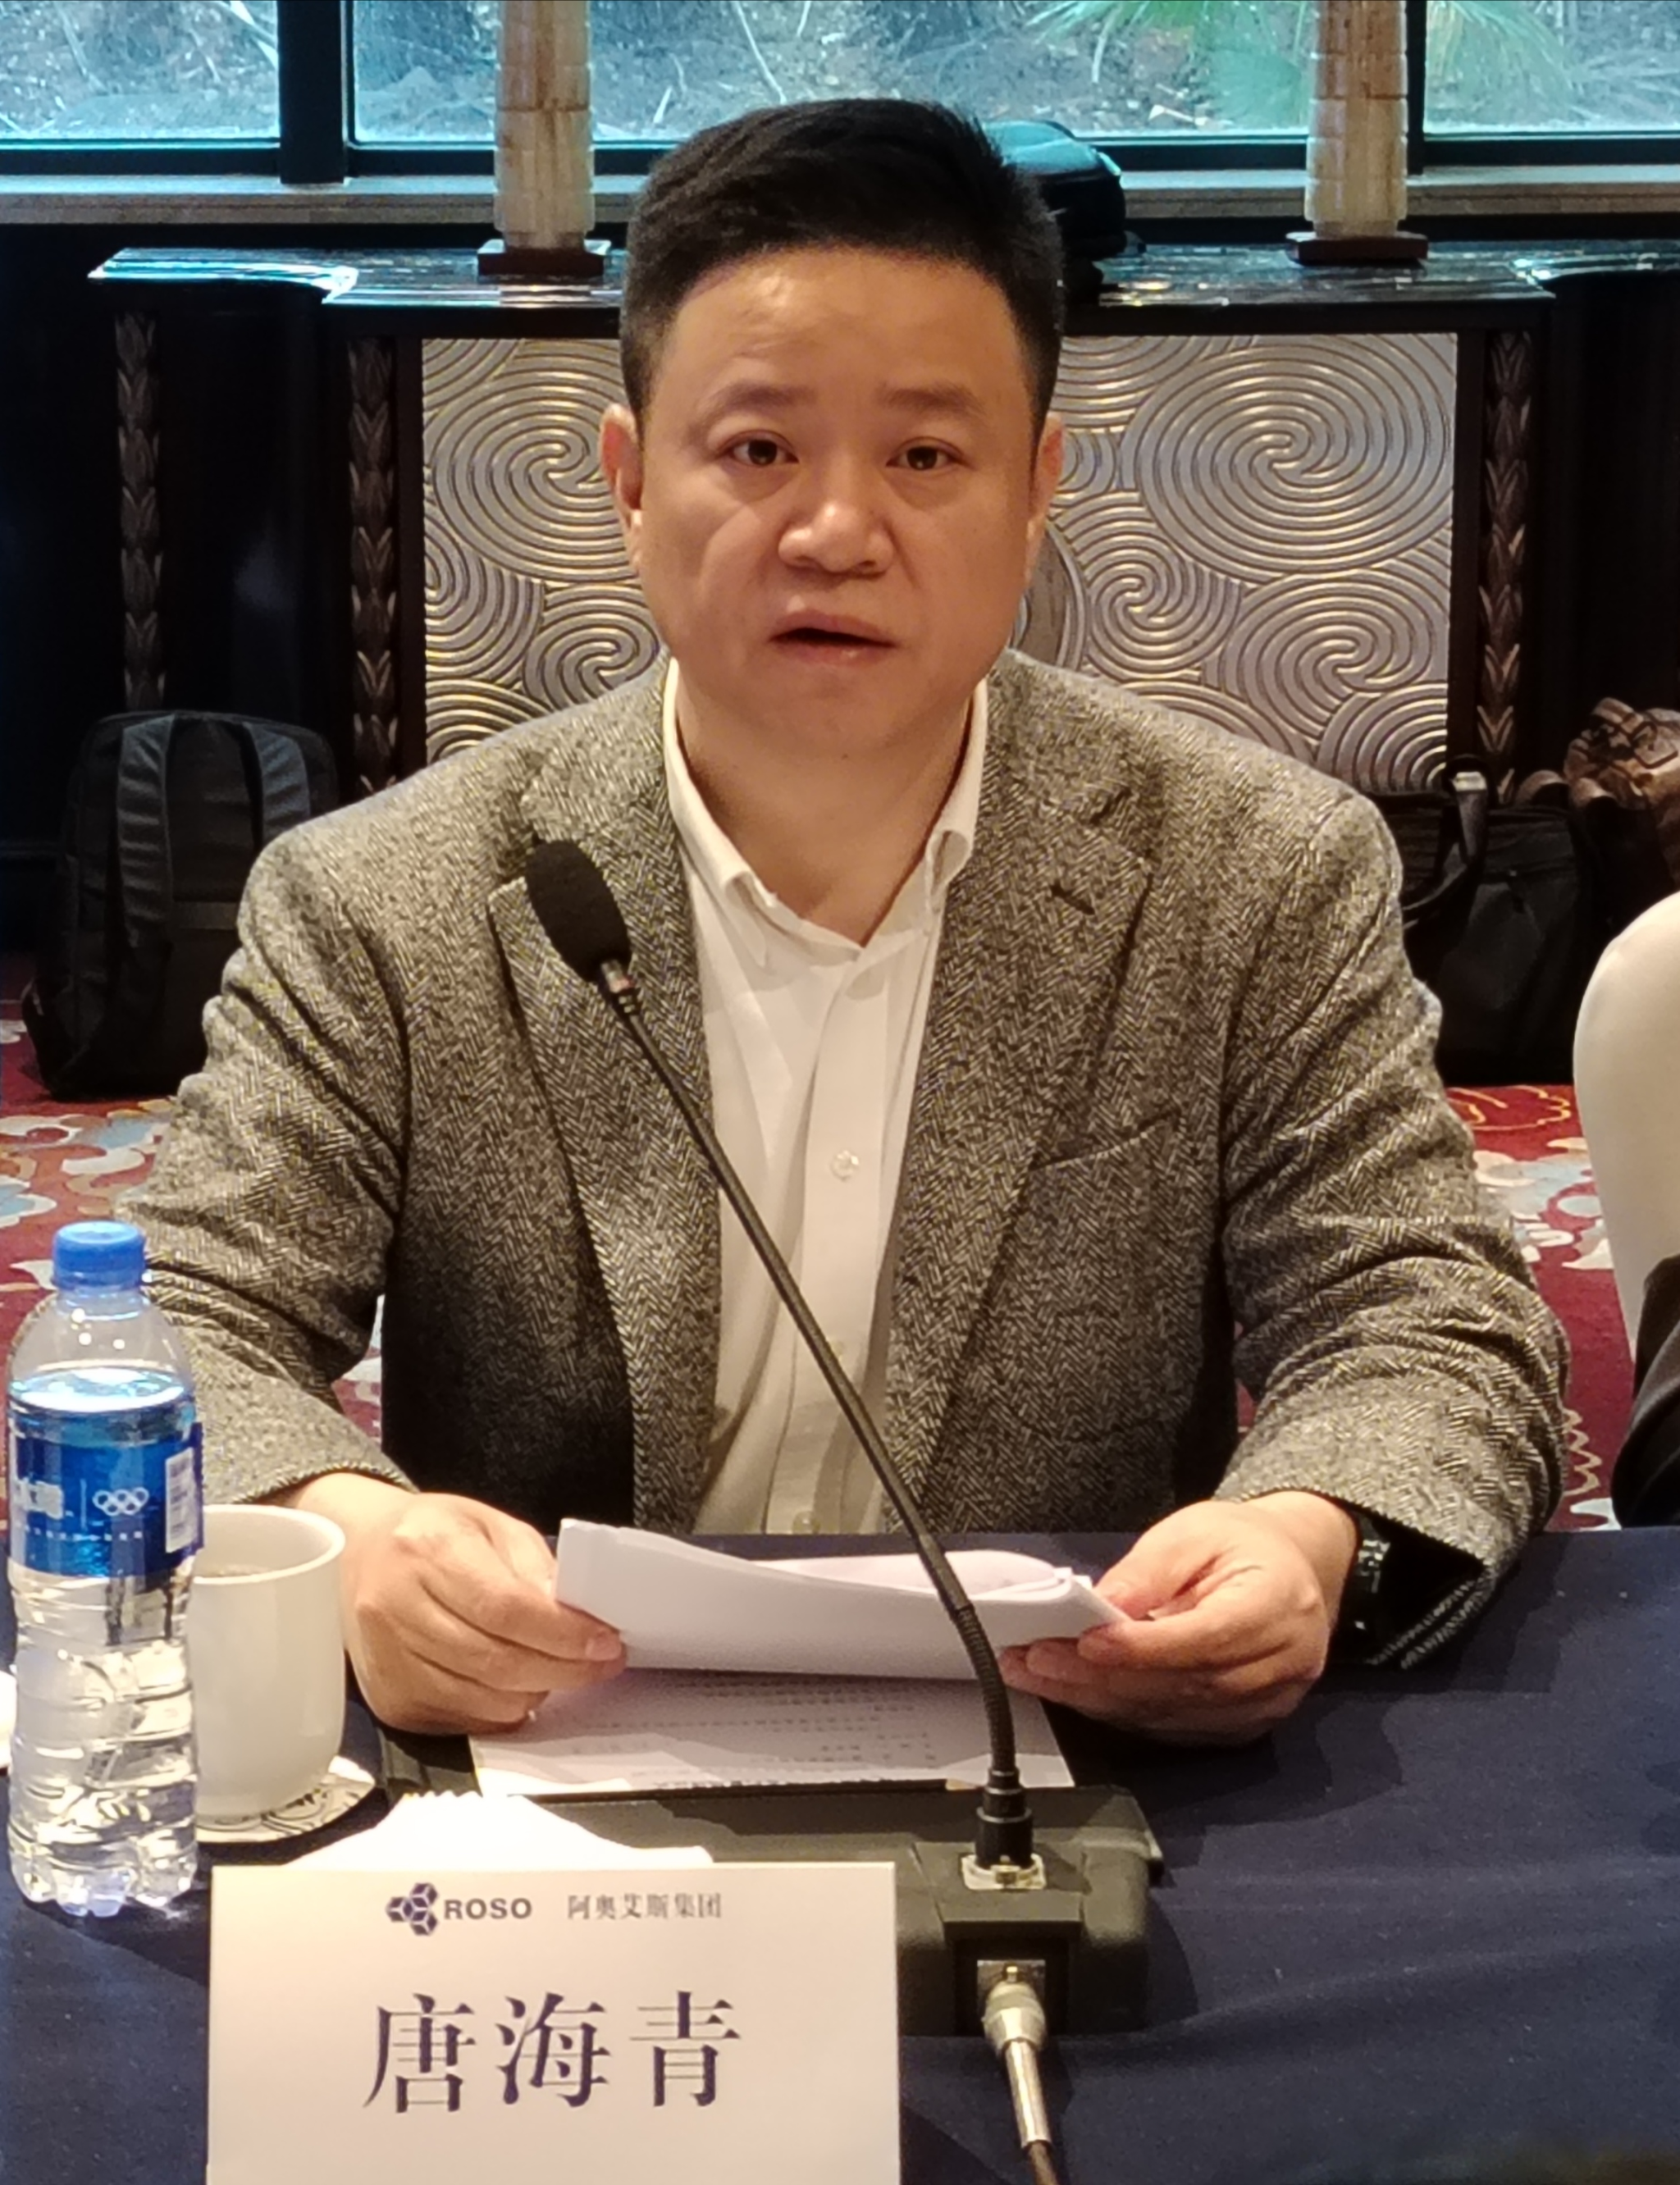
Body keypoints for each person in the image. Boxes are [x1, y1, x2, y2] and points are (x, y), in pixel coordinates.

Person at [126, 99, 1564, 1745]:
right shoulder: (388, 898)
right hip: (555, 1740)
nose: (834, 533)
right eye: (757, 452)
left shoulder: (1253, 870)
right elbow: (169, 1319)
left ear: (1037, 491)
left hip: (1072, 1737)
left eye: (925, 458)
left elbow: (1428, 1313)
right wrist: (342, 1532)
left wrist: (1307, 1532)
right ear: (629, 483)